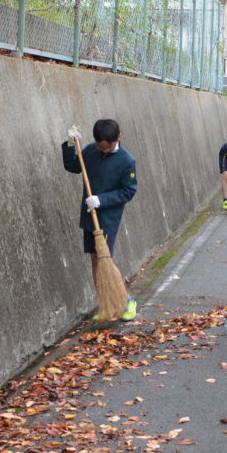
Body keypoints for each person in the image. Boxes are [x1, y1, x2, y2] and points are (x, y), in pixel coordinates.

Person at [62, 120, 138, 321]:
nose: (104, 151)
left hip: (107, 218)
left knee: (104, 260)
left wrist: (101, 200)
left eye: (108, 147)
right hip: (89, 216)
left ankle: (126, 301)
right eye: (100, 147)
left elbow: (128, 191)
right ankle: (108, 305)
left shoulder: (127, 161)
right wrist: (71, 144)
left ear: (118, 137)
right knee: (95, 262)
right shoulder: (90, 151)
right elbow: (72, 166)